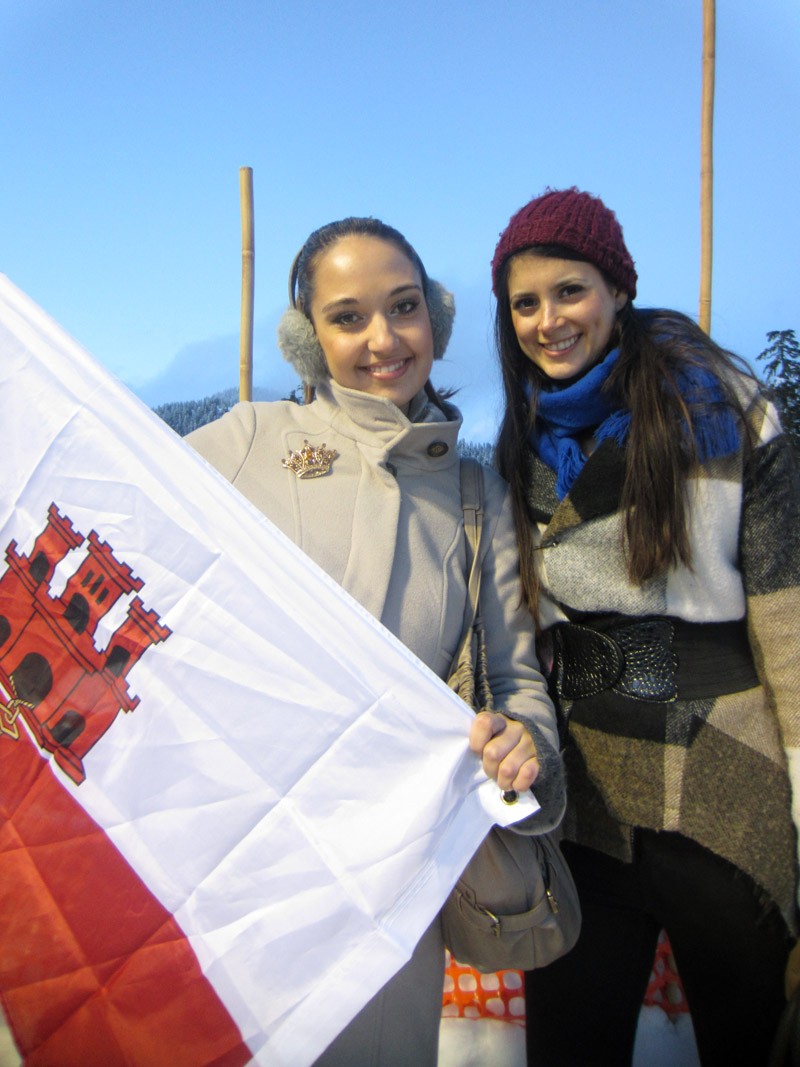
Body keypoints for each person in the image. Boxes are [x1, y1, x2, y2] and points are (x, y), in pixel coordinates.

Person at [188, 216, 565, 1067]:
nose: (383, 339)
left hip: (390, 882)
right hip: (241, 864)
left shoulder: (477, 493)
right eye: (348, 317)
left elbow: (517, 679)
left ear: (436, 317)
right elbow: (121, 526)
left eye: (403, 308)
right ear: (308, 339)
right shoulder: (247, 442)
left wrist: (521, 742)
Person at [489, 187, 800, 1066]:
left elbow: (788, 619)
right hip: (582, 797)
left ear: (618, 289)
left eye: (570, 291)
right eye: (525, 302)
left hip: (721, 782)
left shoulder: (731, 409)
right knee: (569, 1046)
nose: (549, 320)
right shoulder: (523, 440)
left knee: (751, 1043)